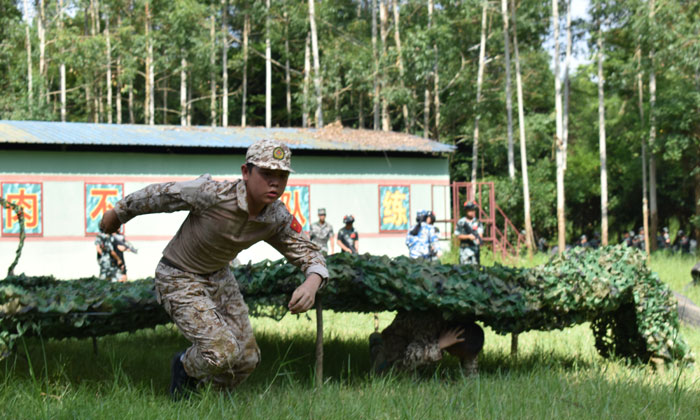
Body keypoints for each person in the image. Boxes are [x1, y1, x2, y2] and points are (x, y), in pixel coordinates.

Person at [98, 139, 328, 399]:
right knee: (221, 350)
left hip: (219, 278)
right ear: (246, 172)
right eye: (266, 174)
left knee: (246, 358)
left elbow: (310, 253)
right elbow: (162, 194)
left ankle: (207, 400)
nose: (274, 183)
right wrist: (119, 213)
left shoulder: (276, 217)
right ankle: (184, 367)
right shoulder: (212, 194)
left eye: (282, 176)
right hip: (178, 275)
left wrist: (312, 281)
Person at [369, 311, 484, 376]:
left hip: (420, 344)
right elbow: (408, 360)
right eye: (457, 354)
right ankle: (377, 343)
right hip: (396, 340)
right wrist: (440, 345)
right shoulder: (428, 329)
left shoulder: (463, 332)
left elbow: (469, 361)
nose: (455, 356)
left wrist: (470, 376)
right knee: (394, 375)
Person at [454, 201, 483, 266]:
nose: (472, 212)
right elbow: (457, 235)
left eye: (473, 210)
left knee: (476, 271)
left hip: (475, 253)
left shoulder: (478, 222)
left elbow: (480, 235)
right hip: (464, 252)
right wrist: (468, 237)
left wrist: (478, 239)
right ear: (466, 210)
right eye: (470, 210)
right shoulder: (461, 222)